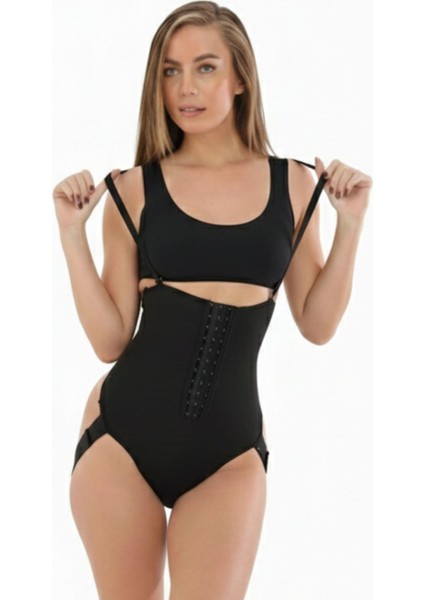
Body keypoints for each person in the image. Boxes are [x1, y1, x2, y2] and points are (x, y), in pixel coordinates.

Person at [52, 1, 372, 598]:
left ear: (240, 77)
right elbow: (110, 341)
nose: (185, 88)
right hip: (123, 440)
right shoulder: (132, 190)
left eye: (205, 67)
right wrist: (72, 237)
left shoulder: (295, 184)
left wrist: (350, 226)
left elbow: (317, 324)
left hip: (229, 453)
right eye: (170, 71)